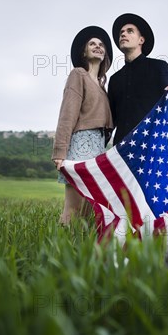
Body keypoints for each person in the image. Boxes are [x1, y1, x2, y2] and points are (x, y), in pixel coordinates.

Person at [52, 26, 114, 225]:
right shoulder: (78, 75)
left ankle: (81, 249)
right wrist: (60, 152)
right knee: (74, 206)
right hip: (80, 143)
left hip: (98, 148)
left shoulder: (103, 87)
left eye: (101, 44)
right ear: (84, 52)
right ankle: (61, 248)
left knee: (91, 207)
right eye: (92, 44)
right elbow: (67, 114)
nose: (98, 47)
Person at [108, 13, 168, 144]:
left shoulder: (159, 67)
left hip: (151, 148)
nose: (123, 34)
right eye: (121, 32)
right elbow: (110, 122)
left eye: (129, 31)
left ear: (141, 40)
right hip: (122, 153)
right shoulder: (115, 79)